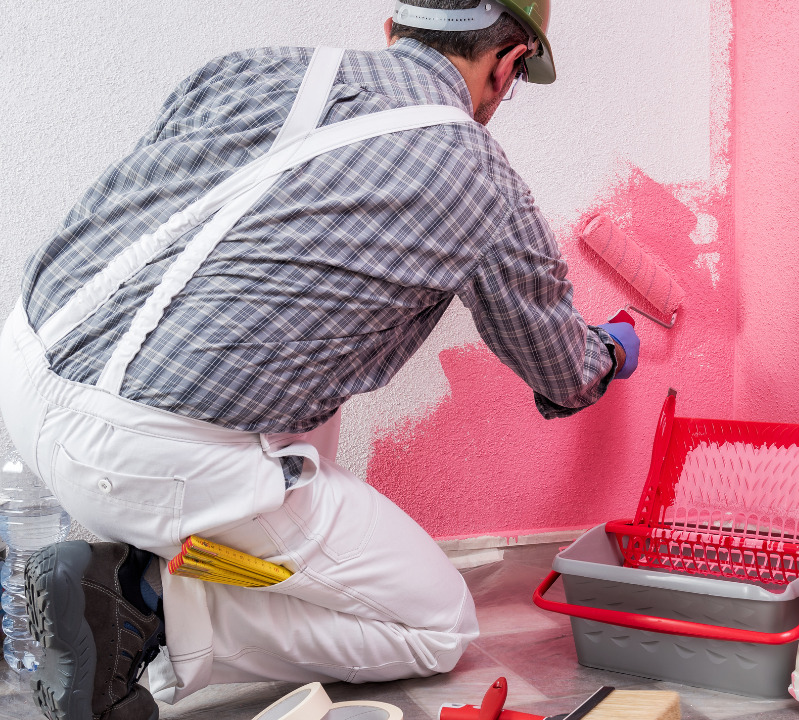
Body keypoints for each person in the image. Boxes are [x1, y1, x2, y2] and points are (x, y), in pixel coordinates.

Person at [0, 1, 641, 718]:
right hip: (147, 452)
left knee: (311, 341)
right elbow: (561, 371)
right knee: (439, 627)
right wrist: (610, 352)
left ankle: (150, 562)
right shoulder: (480, 176)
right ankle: (137, 604)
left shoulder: (250, 68)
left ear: (395, 28)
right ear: (508, 63)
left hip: (26, 373)